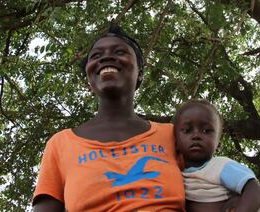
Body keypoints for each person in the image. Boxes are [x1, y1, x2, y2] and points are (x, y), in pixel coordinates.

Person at [33, 25, 185, 212]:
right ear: (89, 81)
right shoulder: (60, 144)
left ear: (140, 75)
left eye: (120, 52)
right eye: (96, 55)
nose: (106, 57)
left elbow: (208, 188)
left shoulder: (172, 135)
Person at [173, 99, 260, 212]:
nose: (196, 135)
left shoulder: (220, 166)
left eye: (206, 131)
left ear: (218, 143)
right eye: (187, 130)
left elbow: (256, 190)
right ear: (175, 141)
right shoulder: (174, 175)